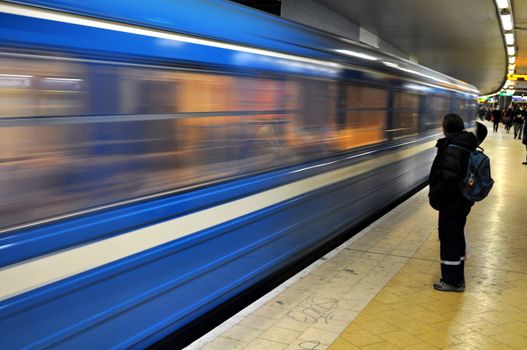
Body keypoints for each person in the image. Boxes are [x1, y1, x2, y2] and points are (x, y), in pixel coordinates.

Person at [428, 114, 486, 292]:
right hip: (461, 201)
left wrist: (436, 197)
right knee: (457, 237)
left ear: (445, 128)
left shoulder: (453, 148)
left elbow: (448, 178)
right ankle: (457, 276)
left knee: (449, 240)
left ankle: (452, 281)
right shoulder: (465, 144)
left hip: (451, 203)